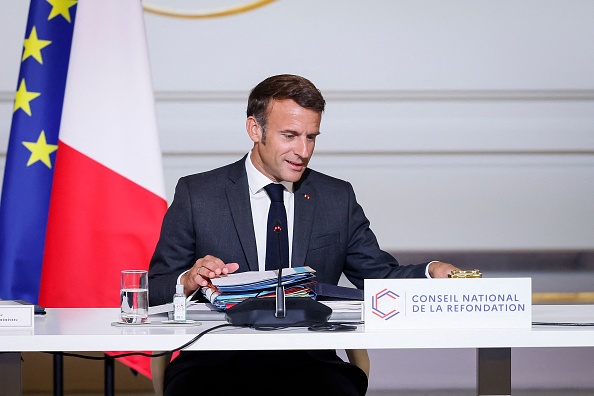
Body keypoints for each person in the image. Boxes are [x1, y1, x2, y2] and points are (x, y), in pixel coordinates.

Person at [148, 74, 459, 396]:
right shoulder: (198, 193)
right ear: (255, 129)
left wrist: (430, 272)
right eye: (290, 135)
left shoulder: (336, 197)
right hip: (213, 362)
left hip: (309, 362)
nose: (304, 150)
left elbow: (378, 276)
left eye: (312, 137)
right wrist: (187, 280)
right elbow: (155, 288)